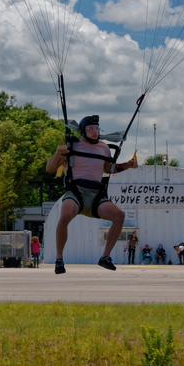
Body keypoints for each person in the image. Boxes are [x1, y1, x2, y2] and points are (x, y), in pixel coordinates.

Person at [46, 114, 138, 274]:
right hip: (76, 192)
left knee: (119, 216)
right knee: (65, 215)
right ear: (83, 131)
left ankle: (105, 257)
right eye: (90, 129)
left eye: (96, 128)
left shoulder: (104, 148)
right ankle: (59, 259)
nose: (94, 131)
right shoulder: (71, 146)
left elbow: (109, 169)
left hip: (96, 195)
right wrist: (58, 153)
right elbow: (50, 168)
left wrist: (128, 165)